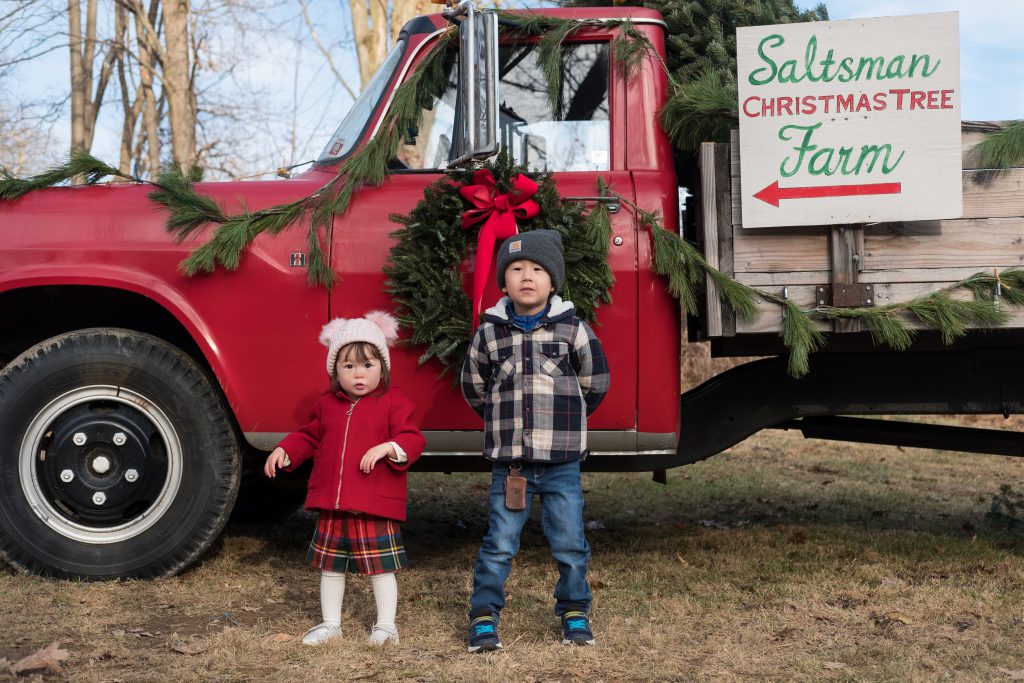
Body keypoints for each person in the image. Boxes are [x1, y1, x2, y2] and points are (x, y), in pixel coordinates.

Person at [460, 229, 610, 652]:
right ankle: (485, 614)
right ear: (503, 282)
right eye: (517, 269)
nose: (528, 276)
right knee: (499, 543)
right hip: (511, 465)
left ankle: (574, 610)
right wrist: (501, 424)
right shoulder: (489, 334)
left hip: (562, 462)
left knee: (569, 542)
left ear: (553, 281)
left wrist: (568, 423)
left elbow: (595, 382)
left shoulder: (573, 330)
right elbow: (474, 388)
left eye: (538, 269)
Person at [264, 311, 425, 646]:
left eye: (368, 365)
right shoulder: (327, 405)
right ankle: (330, 624)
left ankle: (385, 626)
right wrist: (286, 450)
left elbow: (413, 439)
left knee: (380, 567)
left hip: (372, 502)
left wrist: (388, 448)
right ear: (335, 372)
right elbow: (309, 436)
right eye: (348, 367)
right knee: (331, 566)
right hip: (334, 504)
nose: (359, 374)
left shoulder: (394, 402)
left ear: (383, 367)